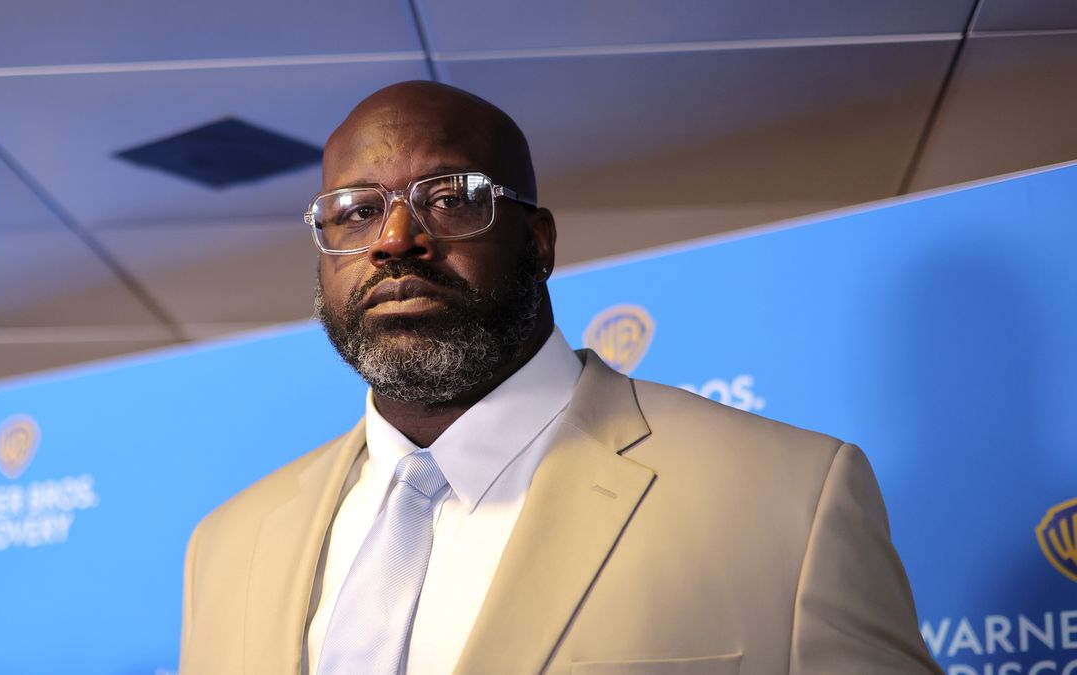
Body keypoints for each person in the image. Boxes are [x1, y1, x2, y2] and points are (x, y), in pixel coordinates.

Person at [179, 80, 942, 675]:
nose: (396, 240)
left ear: (538, 242)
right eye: (355, 211)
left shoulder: (791, 497)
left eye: (451, 199)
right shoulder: (229, 545)